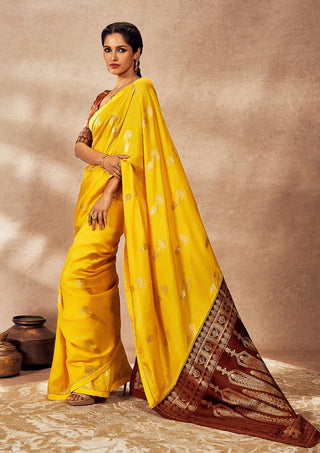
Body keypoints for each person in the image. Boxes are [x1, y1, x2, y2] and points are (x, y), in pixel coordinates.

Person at [47, 22, 319, 448]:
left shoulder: (143, 90)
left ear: (137, 53)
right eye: (106, 49)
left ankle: (96, 377)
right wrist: (105, 162)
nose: (113, 57)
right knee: (92, 279)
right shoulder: (103, 98)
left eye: (121, 49)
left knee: (76, 276)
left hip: (121, 199)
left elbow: (138, 153)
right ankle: (101, 374)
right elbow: (80, 145)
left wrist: (110, 188)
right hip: (94, 192)